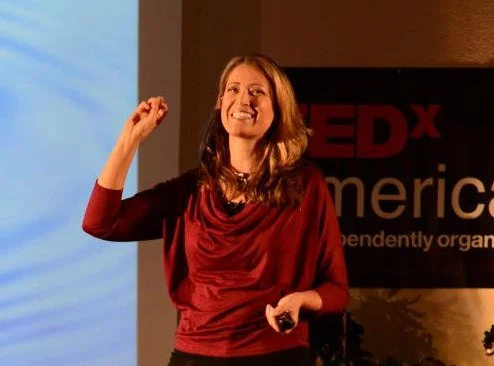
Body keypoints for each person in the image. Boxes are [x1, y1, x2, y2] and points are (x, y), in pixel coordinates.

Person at [82, 53, 349, 366]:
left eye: (257, 91)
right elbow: (99, 223)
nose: (243, 99)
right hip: (194, 357)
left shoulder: (304, 186)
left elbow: (337, 290)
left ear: (279, 108)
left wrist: (299, 301)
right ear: (220, 103)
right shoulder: (189, 192)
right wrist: (130, 140)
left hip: (275, 356)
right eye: (232, 89)